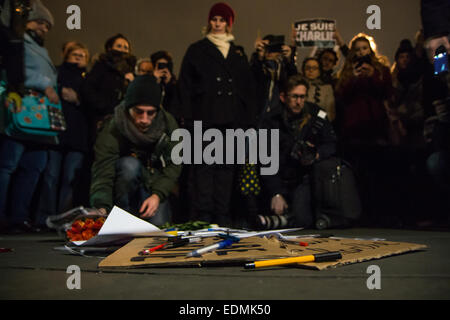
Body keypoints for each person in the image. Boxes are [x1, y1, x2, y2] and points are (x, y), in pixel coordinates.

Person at [177, 2, 256, 226]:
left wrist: (247, 121)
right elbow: (185, 86)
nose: (218, 24)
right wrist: (187, 118)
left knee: (226, 169)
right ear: (209, 21)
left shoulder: (237, 53)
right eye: (214, 19)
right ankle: (204, 216)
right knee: (203, 169)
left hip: (231, 121)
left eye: (222, 20)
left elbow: (247, 90)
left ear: (229, 24)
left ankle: (221, 216)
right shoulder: (196, 49)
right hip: (204, 118)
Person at [90, 75, 181, 225]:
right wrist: (101, 207)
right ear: (128, 108)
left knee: (158, 229)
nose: (144, 119)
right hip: (122, 187)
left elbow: (174, 165)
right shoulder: (113, 127)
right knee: (129, 165)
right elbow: (102, 170)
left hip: (153, 185)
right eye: (139, 112)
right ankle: (121, 218)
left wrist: (157, 196)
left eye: (150, 113)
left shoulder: (168, 123)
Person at [0, 0, 57, 233]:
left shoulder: (40, 48)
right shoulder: (14, 41)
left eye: (47, 26)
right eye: (42, 23)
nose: (45, 29)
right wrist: (45, 84)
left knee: (34, 166)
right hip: (20, 109)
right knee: (7, 165)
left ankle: (19, 217)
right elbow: (12, 70)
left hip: (39, 118)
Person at [260, 75, 337, 228]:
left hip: (305, 178)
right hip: (279, 176)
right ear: (283, 97)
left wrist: (316, 153)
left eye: (302, 97)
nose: (298, 102)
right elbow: (266, 159)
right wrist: (276, 193)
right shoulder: (271, 120)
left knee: (303, 220)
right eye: (294, 97)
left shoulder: (316, 115)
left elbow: (332, 144)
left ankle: (289, 219)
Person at [34, 42, 90, 226]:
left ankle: (64, 219)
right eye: (75, 54)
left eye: (82, 55)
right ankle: (45, 218)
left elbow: (94, 103)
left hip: (78, 137)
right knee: (50, 176)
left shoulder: (88, 80)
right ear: (66, 55)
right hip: (55, 134)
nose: (78, 57)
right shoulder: (55, 74)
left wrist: (79, 99)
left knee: (70, 179)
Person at [81, 33, 136, 144]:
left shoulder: (132, 72)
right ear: (110, 48)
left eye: (126, 47)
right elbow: (88, 89)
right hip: (102, 118)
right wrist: (103, 106)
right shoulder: (101, 66)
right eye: (119, 46)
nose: (122, 50)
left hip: (124, 121)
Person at [250, 34, 298, 119]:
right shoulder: (258, 66)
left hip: (279, 115)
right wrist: (259, 58)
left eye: (272, 48)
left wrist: (289, 60)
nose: (269, 52)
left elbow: (293, 82)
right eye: (266, 48)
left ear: (279, 49)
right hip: (259, 114)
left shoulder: (284, 68)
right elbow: (252, 79)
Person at [301, 57, 336, 123]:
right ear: (303, 70)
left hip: (318, 125)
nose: (311, 70)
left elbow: (331, 114)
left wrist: (316, 114)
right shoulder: (296, 86)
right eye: (308, 68)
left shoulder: (327, 88)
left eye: (314, 68)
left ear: (319, 71)